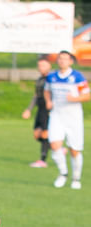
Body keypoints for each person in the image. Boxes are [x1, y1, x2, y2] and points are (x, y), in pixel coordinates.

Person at [44, 50, 90, 189]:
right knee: (54, 145)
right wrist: (48, 101)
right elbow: (47, 90)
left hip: (73, 118)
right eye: (60, 58)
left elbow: (87, 96)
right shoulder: (51, 77)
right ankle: (63, 173)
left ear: (70, 61)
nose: (62, 61)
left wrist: (74, 98)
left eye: (65, 59)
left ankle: (76, 178)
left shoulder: (77, 77)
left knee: (74, 150)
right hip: (57, 116)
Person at [22, 56, 52, 168]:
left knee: (45, 133)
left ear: (49, 66)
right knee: (37, 135)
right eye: (39, 65)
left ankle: (42, 160)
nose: (40, 68)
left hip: (47, 109)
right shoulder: (39, 79)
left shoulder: (52, 79)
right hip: (40, 108)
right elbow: (36, 95)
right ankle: (56, 147)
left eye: (43, 65)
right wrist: (28, 109)